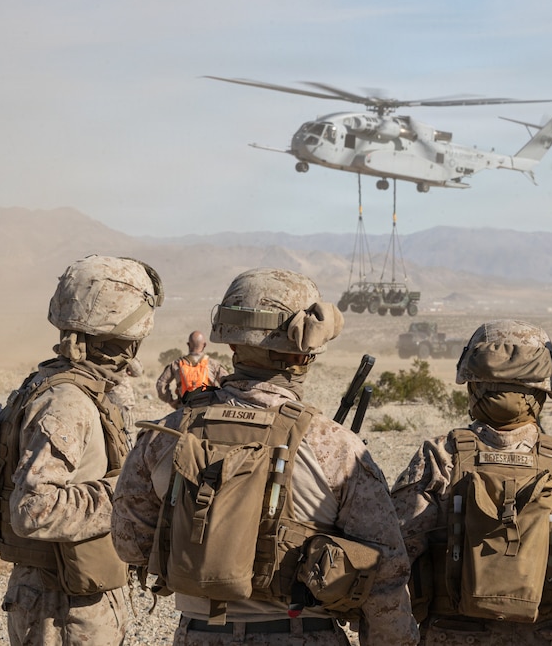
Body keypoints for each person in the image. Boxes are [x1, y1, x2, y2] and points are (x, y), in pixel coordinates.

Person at [112, 268, 419, 646]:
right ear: (305, 353)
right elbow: (385, 574)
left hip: (198, 635)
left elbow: (130, 544)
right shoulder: (335, 446)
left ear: (231, 342)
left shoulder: (163, 436)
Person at [390, 319, 552, 646]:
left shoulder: (440, 457)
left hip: (452, 635)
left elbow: (395, 555)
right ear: (543, 389)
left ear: (473, 385)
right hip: (550, 635)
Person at [2, 255, 163, 645]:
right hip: (62, 606)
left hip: (70, 594)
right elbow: (32, 510)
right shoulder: (67, 401)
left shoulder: (68, 386)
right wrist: (126, 495)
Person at [155, 330, 229, 407]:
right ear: (204, 345)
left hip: (185, 408)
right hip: (208, 407)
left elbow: (161, 384)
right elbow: (228, 383)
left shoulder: (176, 364)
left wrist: (171, 401)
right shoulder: (213, 364)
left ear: (188, 344)